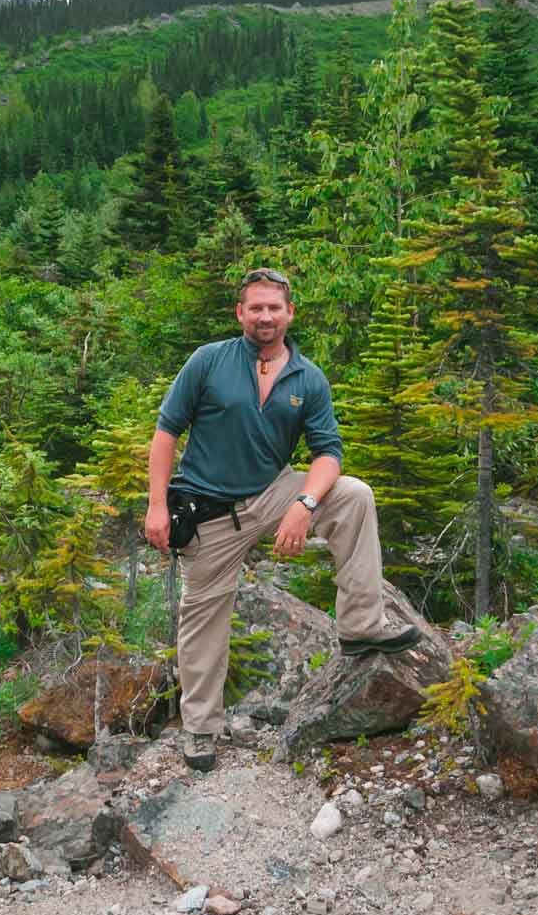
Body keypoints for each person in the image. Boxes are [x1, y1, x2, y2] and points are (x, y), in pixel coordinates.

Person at [144, 267, 421, 772]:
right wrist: (157, 504)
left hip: (274, 492)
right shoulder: (208, 361)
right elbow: (166, 433)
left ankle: (361, 625)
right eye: (256, 308)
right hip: (208, 514)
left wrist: (304, 504)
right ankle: (201, 729)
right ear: (240, 313)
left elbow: (328, 454)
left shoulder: (308, 378)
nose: (265, 316)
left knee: (354, 494)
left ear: (290, 313)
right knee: (202, 619)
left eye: (274, 308)